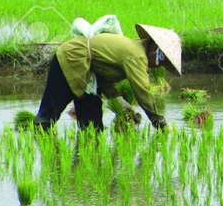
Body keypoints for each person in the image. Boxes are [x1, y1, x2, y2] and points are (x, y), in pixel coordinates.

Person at [34, 24, 182, 131]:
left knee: (92, 128)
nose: (158, 65)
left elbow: (103, 78)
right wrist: (160, 124)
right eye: (161, 59)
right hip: (71, 59)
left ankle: (85, 169)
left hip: (88, 73)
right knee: (47, 117)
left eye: (163, 63)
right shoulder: (137, 57)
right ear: (154, 49)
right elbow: (143, 93)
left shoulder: (134, 51)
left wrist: (120, 103)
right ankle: (41, 147)